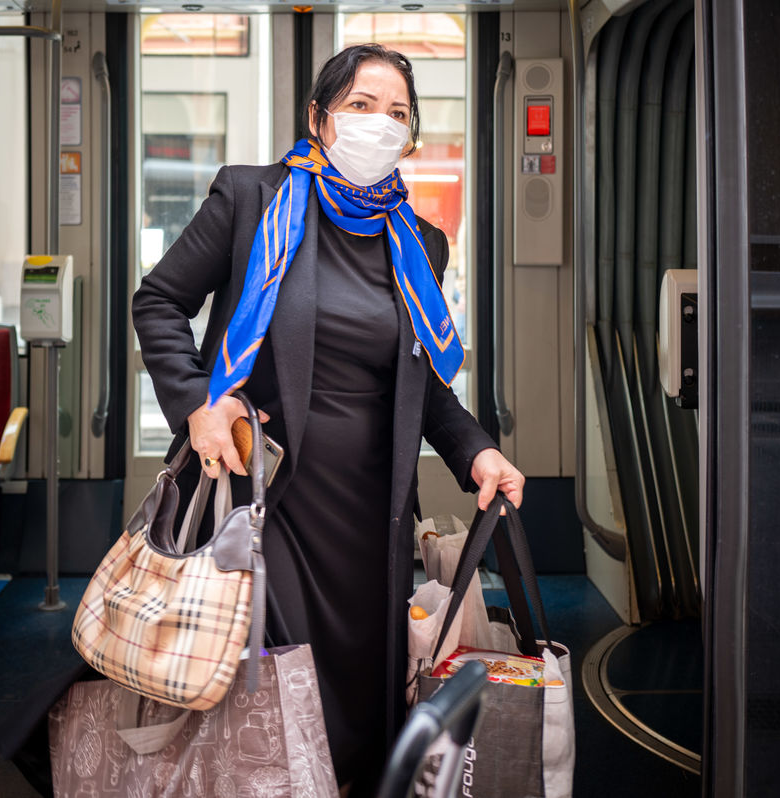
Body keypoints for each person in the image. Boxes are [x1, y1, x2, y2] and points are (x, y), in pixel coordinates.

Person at [132, 43, 524, 795]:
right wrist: (198, 404)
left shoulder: (419, 242)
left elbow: (421, 384)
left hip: (372, 516)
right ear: (318, 117)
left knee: (362, 712)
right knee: (274, 705)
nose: (380, 124)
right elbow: (159, 301)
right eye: (360, 106)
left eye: (398, 113)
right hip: (266, 502)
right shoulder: (250, 199)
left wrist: (477, 450)